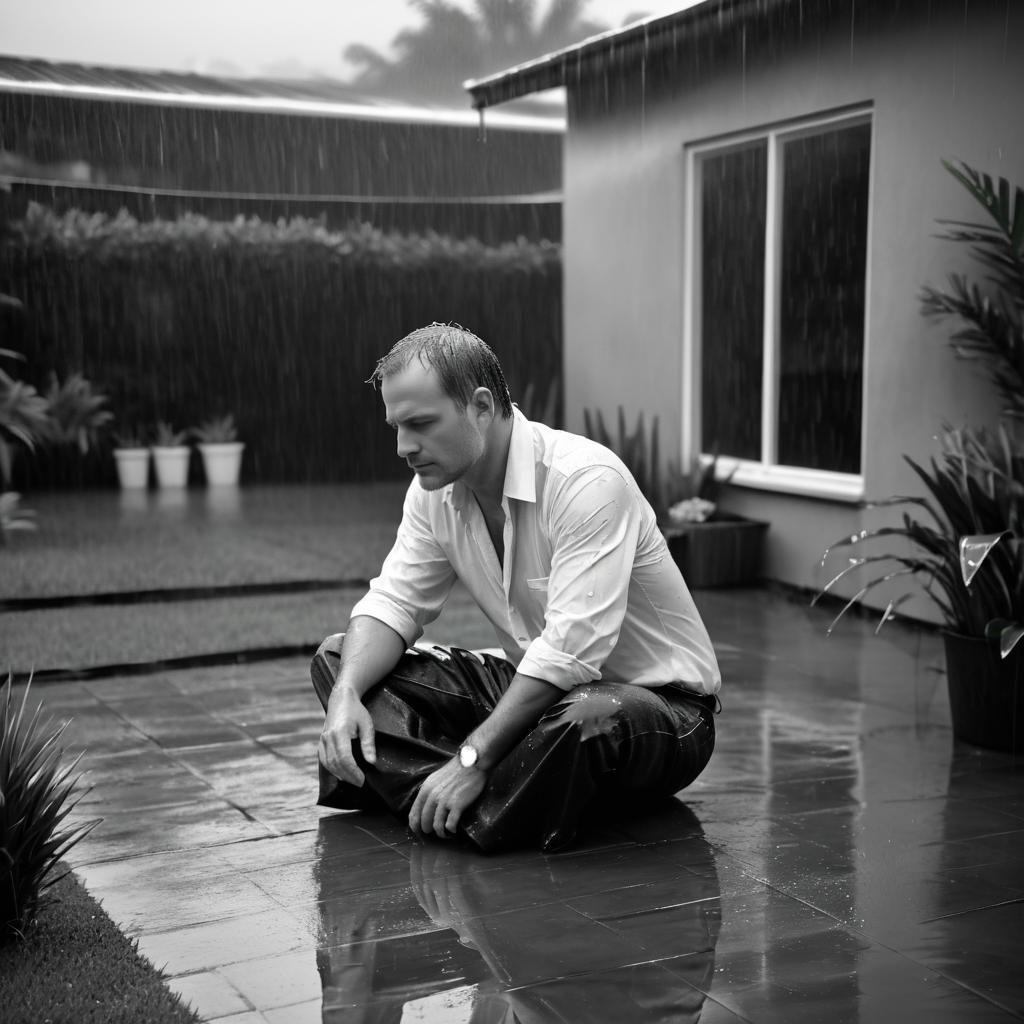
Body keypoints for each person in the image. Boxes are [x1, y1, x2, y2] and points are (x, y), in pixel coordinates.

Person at [312, 322, 721, 853]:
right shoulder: (433, 492)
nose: (402, 446)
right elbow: (394, 601)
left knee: (587, 715)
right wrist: (345, 695)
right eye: (395, 425)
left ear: (481, 406)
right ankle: (487, 803)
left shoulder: (587, 482)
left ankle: (449, 791)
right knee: (340, 659)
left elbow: (571, 652)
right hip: (532, 692)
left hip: (655, 710)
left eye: (420, 424)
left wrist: (472, 757)